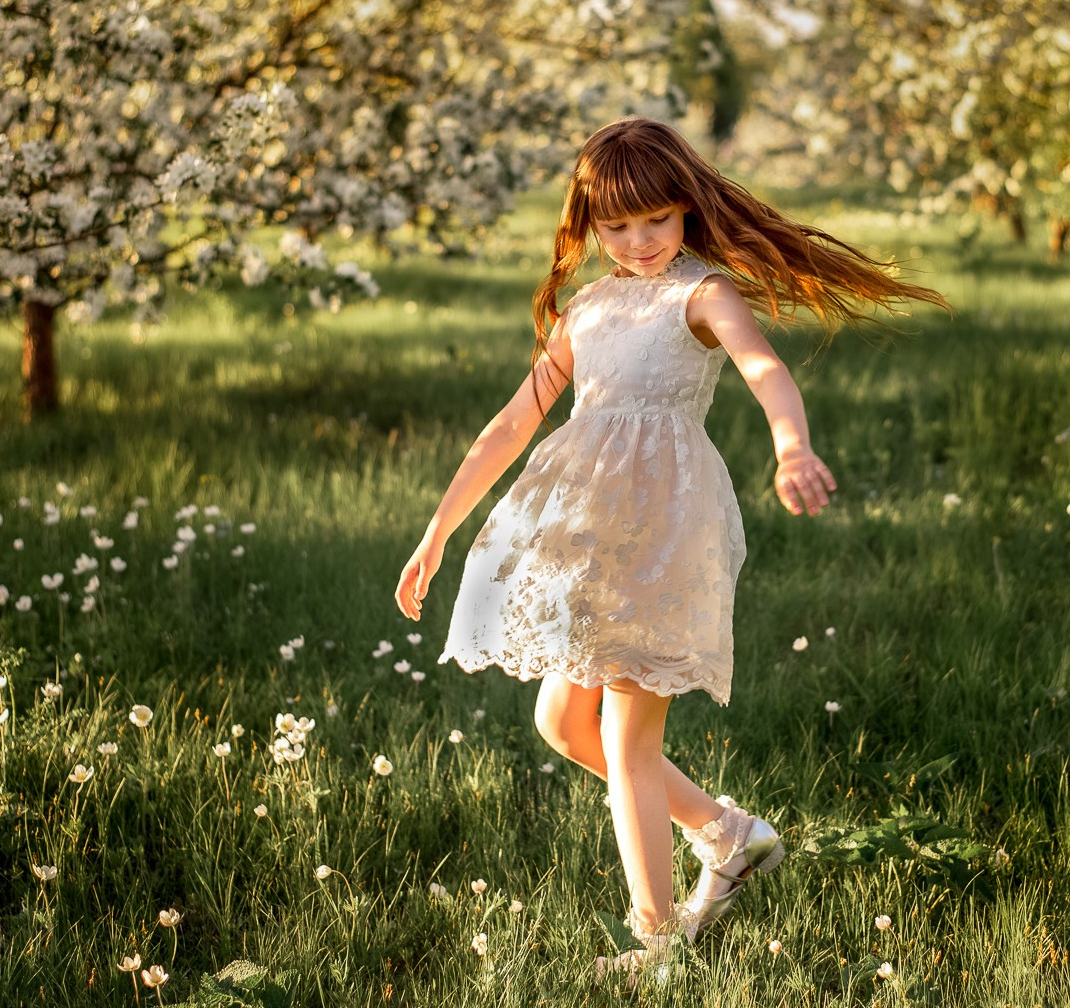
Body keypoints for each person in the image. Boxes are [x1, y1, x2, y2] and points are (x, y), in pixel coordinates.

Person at [395, 117, 945, 983]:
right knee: (561, 722)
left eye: (653, 220)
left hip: (658, 527)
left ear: (686, 206)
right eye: (615, 227)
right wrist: (437, 529)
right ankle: (728, 832)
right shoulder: (589, 307)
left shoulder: (703, 294)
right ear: (588, 226)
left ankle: (658, 946)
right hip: (579, 529)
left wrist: (790, 445)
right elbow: (512, 421)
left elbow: (765, 368)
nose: (637, 242)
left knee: (626, 739)